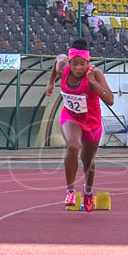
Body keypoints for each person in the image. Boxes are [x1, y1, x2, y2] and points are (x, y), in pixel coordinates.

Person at [44, 40, 115, 211]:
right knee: (73, 147)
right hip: (70, 117)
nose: (78, 68)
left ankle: (89, 193)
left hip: (91, 121)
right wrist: (51, 81)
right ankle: (70, 191)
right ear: (69, 62)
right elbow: (57, 60)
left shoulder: (95, 74)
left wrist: (92, 82)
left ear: (88, 63)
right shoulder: (63, 68)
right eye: (75, 64)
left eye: (82, 64)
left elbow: (110, 100)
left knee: (87, 160)